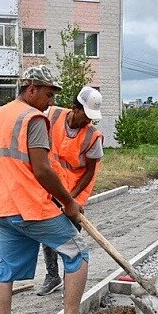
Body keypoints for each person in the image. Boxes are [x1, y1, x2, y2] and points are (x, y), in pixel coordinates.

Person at [0, 66, 106, 314]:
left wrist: (11, 166)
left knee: (5, 271)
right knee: (77, 253)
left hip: (5, 207)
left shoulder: (0, 115)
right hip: (32, 206)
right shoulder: (34, 118)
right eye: (47, 93)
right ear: (31, 88)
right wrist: (69, 202)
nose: (49, 100)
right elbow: (43, 170)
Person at [37, 86, 105, 296]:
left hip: (75, 189)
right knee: (47, 231)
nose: (88, 121)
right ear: (75, 108)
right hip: (50, 185)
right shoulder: (53, 114)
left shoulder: (93, 136)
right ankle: (52, 276)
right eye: (86, 115)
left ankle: (71, 280)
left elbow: (90, 172)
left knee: (71, 237)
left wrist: (71, 199)